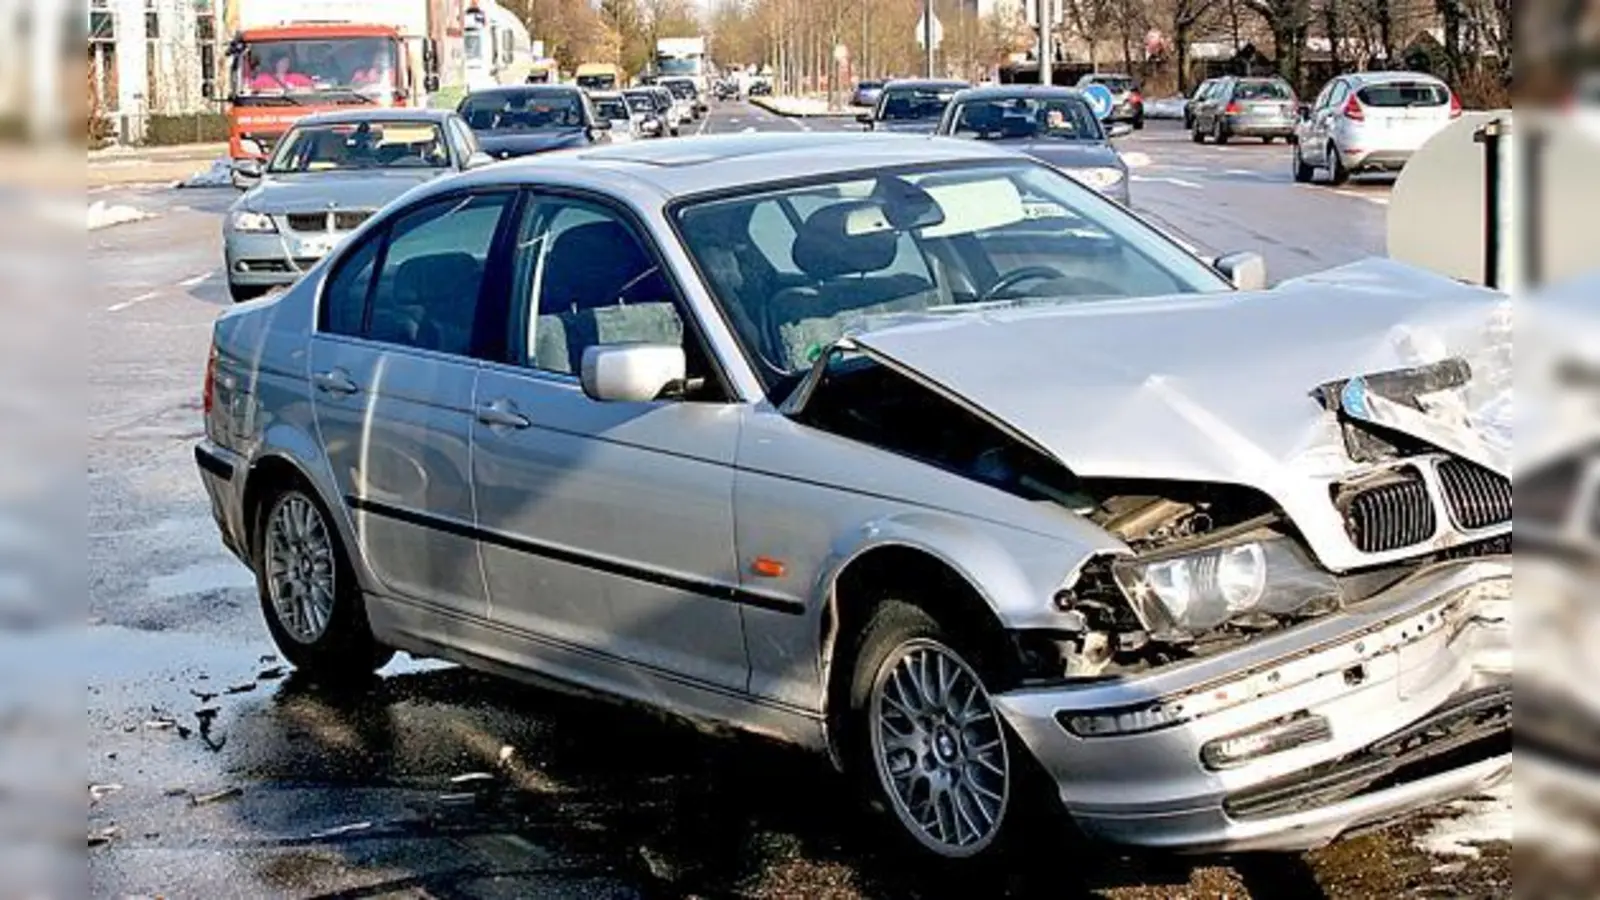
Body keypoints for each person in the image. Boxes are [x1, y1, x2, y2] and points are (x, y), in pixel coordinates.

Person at [249, 53, 313, 92]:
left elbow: (312, 87)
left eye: (286, 62)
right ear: (274, 63)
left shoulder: (296, 77)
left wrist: (296, 90)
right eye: (282, 62)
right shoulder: (263, 78)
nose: (284, 65)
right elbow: (251, 91)